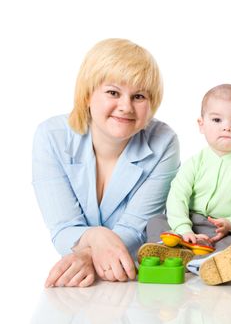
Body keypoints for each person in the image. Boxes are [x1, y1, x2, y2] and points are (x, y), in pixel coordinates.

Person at [32, 38, 180, 287]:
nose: (126, 107)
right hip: (79, 285)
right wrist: (96, 236)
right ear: (88, 94)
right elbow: (62, 227)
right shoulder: (50, 136)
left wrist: (90, 251)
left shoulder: (164, 142)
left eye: (139, 96)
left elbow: (136, 229)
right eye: (113, 92)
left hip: (131, 285)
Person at [138, 84, 231, 285]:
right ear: (201, 125)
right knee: (155, 221)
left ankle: (209, 263)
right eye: (217, 120)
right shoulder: (194, 163)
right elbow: (178, 196)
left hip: (224, 230)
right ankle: (171, 248)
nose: (226, 127)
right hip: (190, 224)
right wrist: (184, 228)